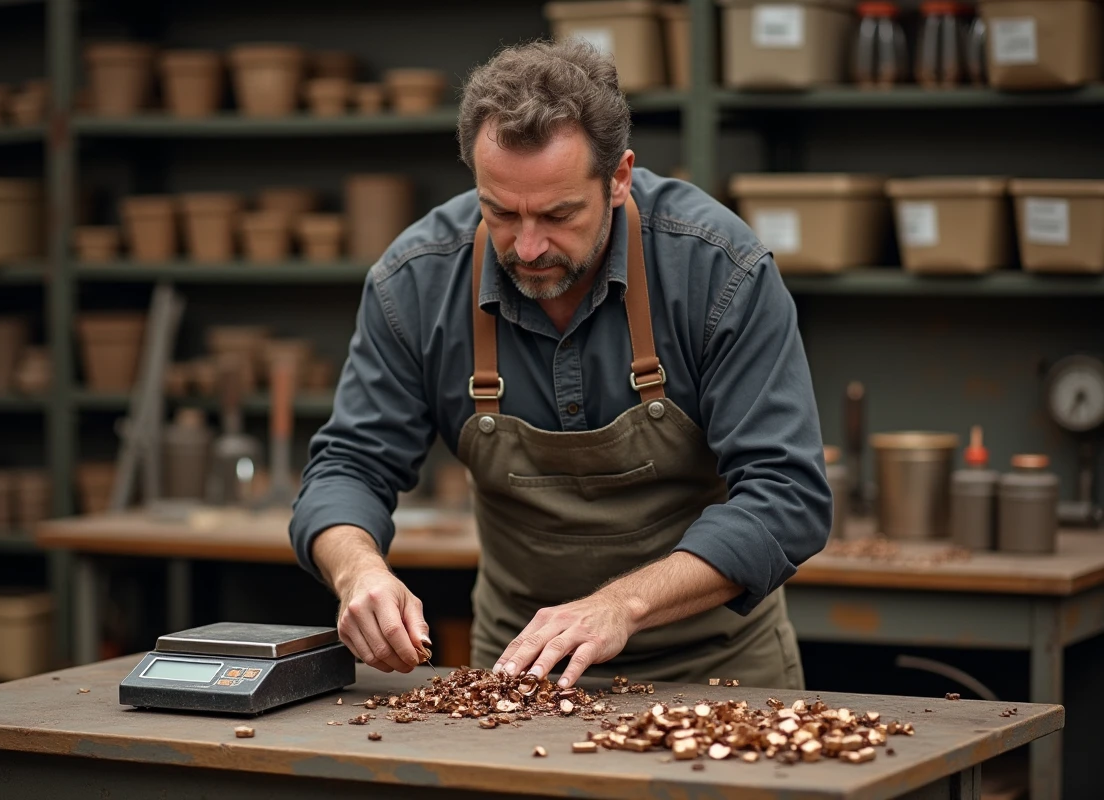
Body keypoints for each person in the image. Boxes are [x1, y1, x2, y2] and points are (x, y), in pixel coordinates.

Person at [290, 39, 831, 690]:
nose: (527, 245)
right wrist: (358, 572)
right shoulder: (416, 282)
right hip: (523, 672)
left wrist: (618, 606)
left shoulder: (718, 270)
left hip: (720, 672)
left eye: (558, 214)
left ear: (620, 177)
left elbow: (787, 496)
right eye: (499, 212)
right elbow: (349, 464)